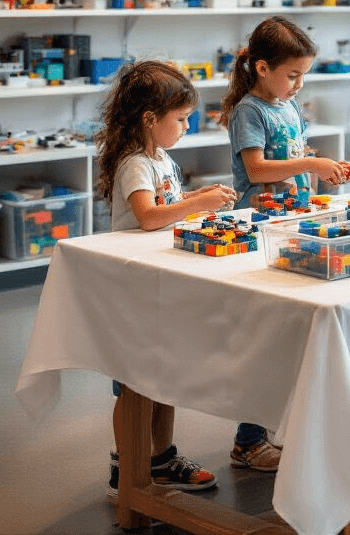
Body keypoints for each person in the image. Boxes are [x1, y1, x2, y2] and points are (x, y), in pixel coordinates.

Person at [95, 60, 238, 502]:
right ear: (150, 120)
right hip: (134, 286)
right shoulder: (135, 164)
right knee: (133, 380)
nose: (187, 125)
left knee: (165, 373)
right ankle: (128, 464)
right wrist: (198, 204)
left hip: (160, 281)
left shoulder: (161, 158)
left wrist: (199, 199)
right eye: (180, 118)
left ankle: (162, 457)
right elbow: (149, 216)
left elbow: (169, 203)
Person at [219, 16, 347, 471]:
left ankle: (278, 428)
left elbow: (294, 160)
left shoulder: (289, 108)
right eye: (292, 75)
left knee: (294, 334)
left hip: (293, 224)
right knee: (265, 337)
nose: (298, 84)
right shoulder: (249, 112)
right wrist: (312, 162)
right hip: (260, 229)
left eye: (303, 75)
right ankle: (249, 440)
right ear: (260, 67)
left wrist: (326, 168)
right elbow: (256, 171)